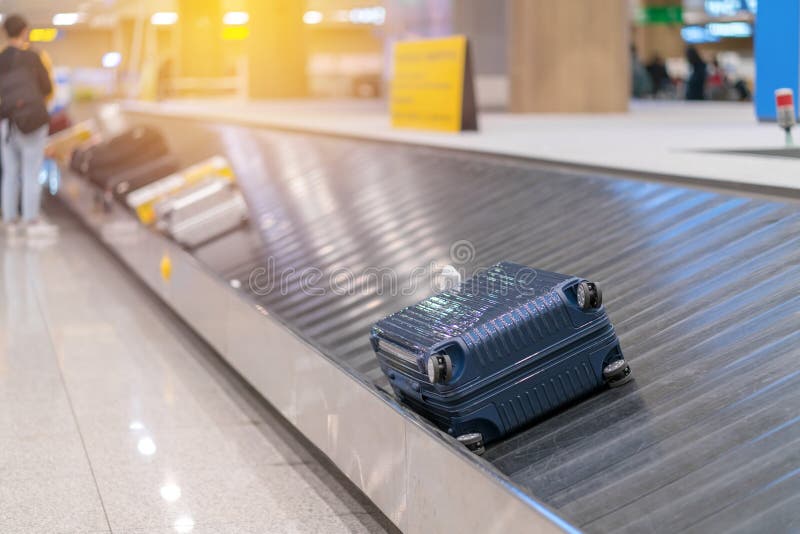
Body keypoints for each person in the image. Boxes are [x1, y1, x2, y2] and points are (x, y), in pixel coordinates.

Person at [0, 14, 56, 238]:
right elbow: (47, 88)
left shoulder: (0, 59)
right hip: (32, 122)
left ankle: (9, 220)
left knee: (10, 172)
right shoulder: (33, 57)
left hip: (6, 122)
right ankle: (30, 219)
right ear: (24, 31)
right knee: (31, 171)